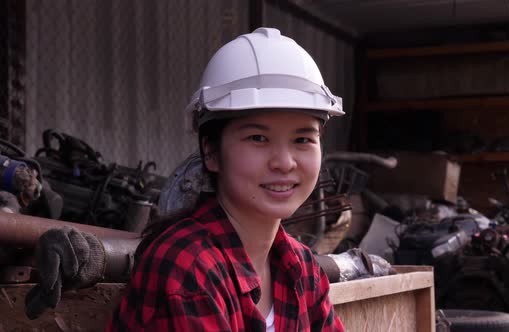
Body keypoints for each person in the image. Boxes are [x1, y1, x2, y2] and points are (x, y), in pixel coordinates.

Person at [106, 27, 345, 331]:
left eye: (302, 139)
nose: (285, 162)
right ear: (211, 152)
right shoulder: (188, 267)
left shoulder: (302, 269)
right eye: (258, 138)